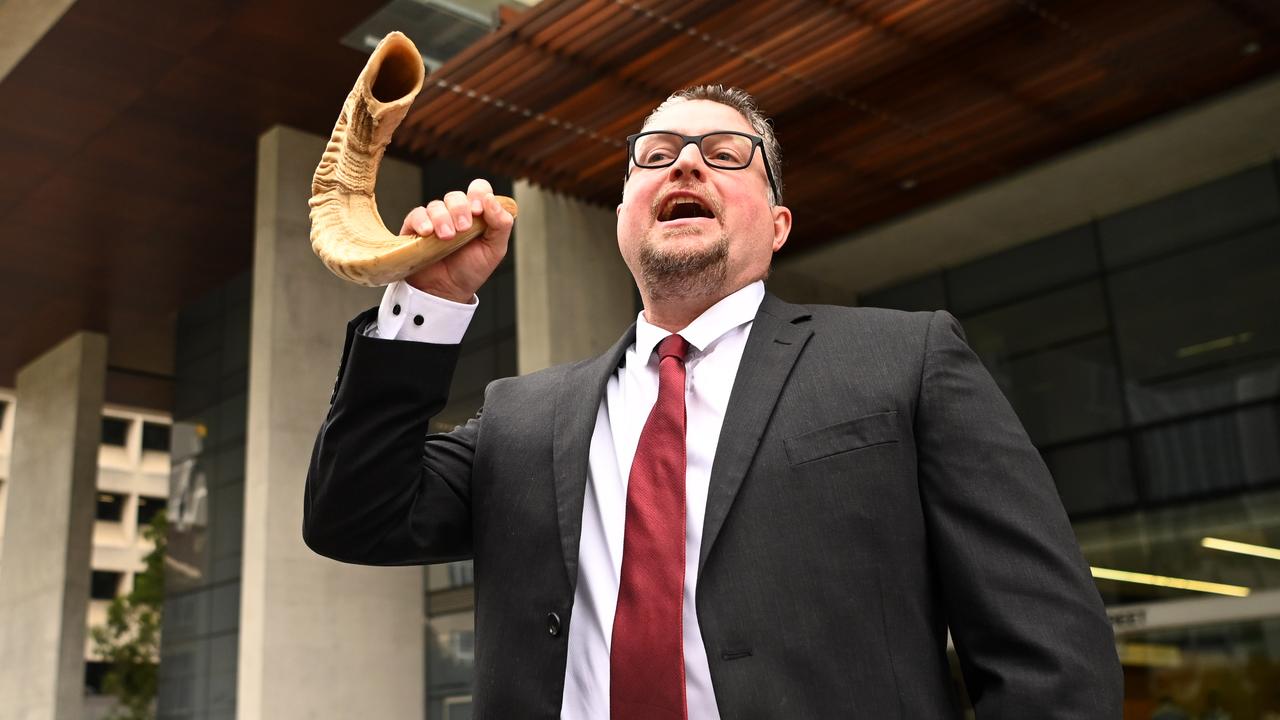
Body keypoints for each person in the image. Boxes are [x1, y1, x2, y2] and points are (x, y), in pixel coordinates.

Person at [304, 85, 1123, 718]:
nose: (685, 165)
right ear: (625, 218)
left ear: (777, 224)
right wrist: (430, 305)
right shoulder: (524, 416)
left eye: (727, 154)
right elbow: (355, 516)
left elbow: (1047, 650)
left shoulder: (903, 359)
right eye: (655, 155)